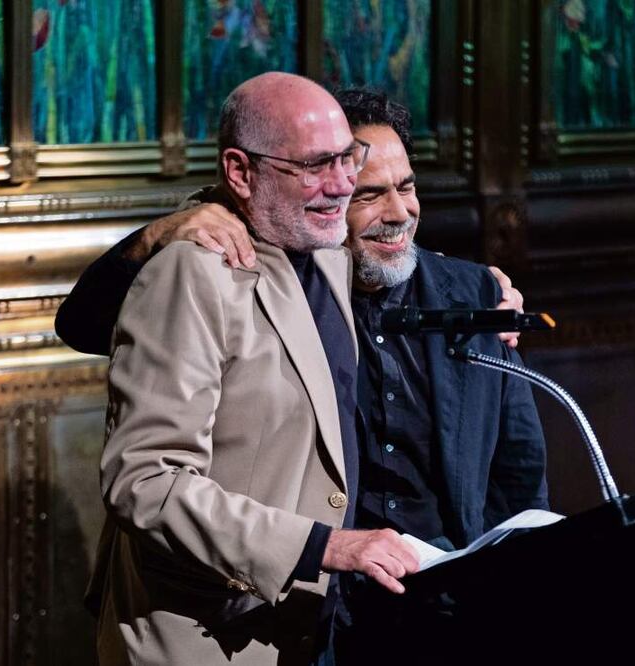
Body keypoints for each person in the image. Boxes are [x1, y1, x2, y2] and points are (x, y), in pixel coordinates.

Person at [86, 72, 421, 666]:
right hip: (202, 638)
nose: (344, 185)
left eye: (348, 159)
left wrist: (489, 287)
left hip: (295, 629)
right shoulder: (192, 272)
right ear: (240, 172)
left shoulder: (320, 249)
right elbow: (145, 483)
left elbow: (393, 252)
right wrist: (323, 547)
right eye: (317, 165)